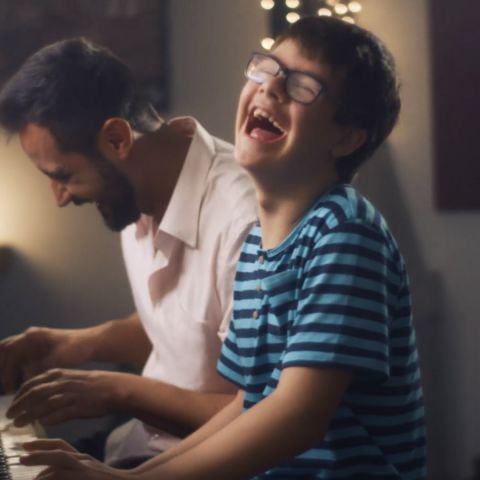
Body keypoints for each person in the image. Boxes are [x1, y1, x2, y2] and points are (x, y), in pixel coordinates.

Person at [19, 15, 427, 480]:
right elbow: (248, 405)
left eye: (301, 87)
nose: (270, 89)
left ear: (347, 137)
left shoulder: (345, 233)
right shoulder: (260, 244)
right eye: (267, 70)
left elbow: (297, 417)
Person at [0, 37, 257, 468]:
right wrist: (78, 344)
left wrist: (116, 390)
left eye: (63, 175)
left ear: (118, 138)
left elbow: (259, 414)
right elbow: (190, 326)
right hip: (137, 443)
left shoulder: (245, 223)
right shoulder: (136, 194)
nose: (60, 198)